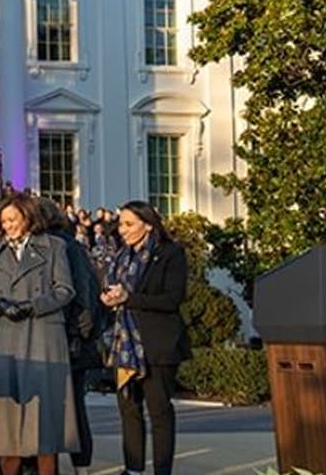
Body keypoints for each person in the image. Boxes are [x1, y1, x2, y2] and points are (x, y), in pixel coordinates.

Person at [0, 193, 78, 475]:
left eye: (13, 219)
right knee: (6, 418)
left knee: (44, 421)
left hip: (42, 335)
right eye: (4, 220)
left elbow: (65, 290)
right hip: (4, 336)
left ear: (28, 219)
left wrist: (32, 306)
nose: (8, 225)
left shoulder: (54, 247)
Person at [101, 201, 190, 475]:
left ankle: (162, 470)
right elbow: (113, 291)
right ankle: (133, 469)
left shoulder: (170, 254)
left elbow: (173, 298)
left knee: (159, 411)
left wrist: (130, 299)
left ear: (148, 225)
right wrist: (109, 298)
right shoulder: (120, 257)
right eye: (120, 224)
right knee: (129, 410)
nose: (122, 230)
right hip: (123, 343)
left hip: (157, 344)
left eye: (129, 224)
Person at [39, 198, 105, 475]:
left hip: (67, 338)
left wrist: (79, 333)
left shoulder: (62, 247)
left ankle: (75, 465)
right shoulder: (69, 246)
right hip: (67, 336)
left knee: (69, 407)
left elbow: (82, 293)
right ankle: (79, 466)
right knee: (72, 406)